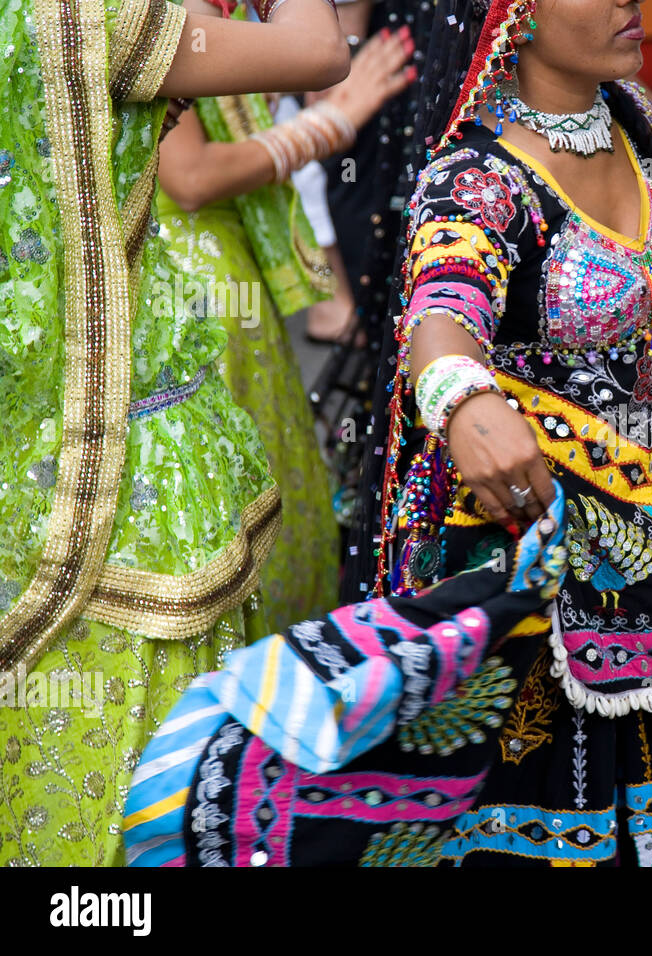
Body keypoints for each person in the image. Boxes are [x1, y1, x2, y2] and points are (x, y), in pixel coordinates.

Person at [123, 0, 652, 867]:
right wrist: (468, 402)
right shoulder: (478, 181)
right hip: (550, 574)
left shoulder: (640, 135)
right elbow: (440, 313)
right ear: (517, 18)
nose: (631, 3)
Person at [0, 0, 349, 866]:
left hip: (29, 434)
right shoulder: (93, 17)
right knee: (147, 789)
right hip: (121, 457)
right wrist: (336, 121)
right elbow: (315, 49)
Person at [154, 4, 414, 630]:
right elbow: (187, 175)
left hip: (222, 265)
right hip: (192, 284)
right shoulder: (162, 13)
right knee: (222, 503)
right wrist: (332, 123)